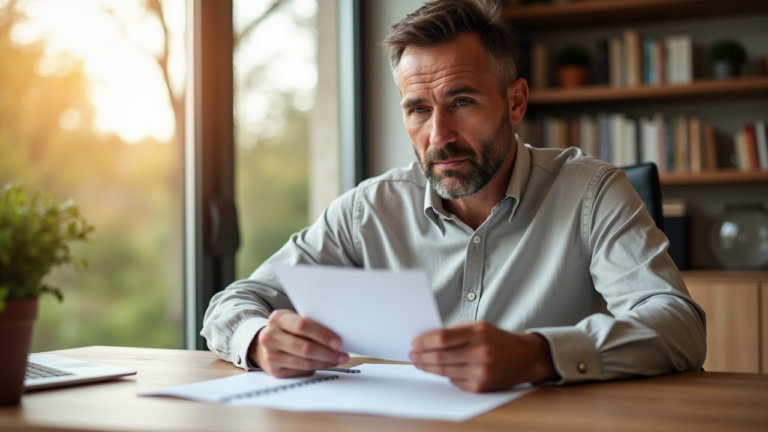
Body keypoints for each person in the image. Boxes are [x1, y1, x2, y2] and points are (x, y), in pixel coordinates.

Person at [202, 0, 706, 392]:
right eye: (418, 109)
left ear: (515, 102)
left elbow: (678, 324)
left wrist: (538, 354)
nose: (438, 135)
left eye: (461, 101)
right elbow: (235, 302)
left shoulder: (592, 193)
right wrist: (258, 340)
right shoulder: (366, 211)